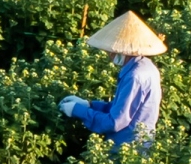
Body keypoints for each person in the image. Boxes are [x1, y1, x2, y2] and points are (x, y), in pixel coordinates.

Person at [59, 11, 166, 150]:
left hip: (128, 149)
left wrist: (78, 111)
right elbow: (121, 108)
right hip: (137, 145)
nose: (109, 55)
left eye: (112, 51)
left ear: (123, 50)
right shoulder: (145, 66)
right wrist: (89, 105)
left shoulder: (135, 76)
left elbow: (115, 122)